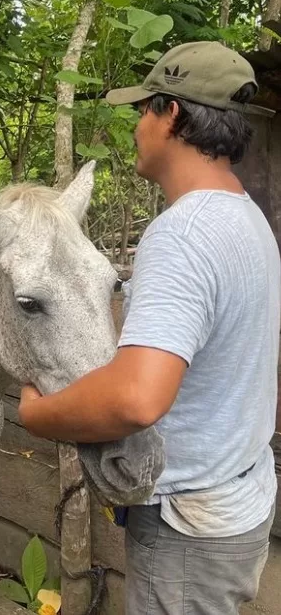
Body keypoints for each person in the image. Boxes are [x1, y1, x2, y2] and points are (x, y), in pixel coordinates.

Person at [18, 42, 280, 614]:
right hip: (237, 501)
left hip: (188, 529)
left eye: (145, 109)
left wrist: (37, 416)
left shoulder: (182, 234)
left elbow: (138, 399)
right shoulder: (246, 216)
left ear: (173, 115)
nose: (137, 125)